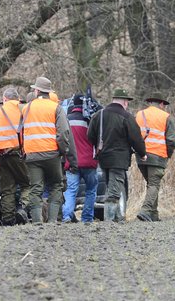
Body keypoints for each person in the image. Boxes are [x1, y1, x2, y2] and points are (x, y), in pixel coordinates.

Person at [21, 76, 76, 223]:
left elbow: (20, 131)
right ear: (48, 92)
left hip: (32, 154)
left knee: (35, 188)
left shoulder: (26, 108)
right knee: (56, 185)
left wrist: (24, 150)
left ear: (37, 91)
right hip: (52, 154)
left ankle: (37, 221)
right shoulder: (56, 108)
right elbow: (64, 132)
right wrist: (62, 150)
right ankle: (52, 221)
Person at [86, 88, 146, 222]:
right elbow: (136, 139)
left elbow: (89, 136)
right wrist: (142, 154)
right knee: (114, 191)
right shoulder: (127, 117)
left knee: (113, 186)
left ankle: (119, 217)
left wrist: (100, 144)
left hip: (103, 158)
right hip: (119, 159)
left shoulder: (99, 115)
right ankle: (109, 221)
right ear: (124, 102)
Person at [0, 87, 29, 226]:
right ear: (17, 99)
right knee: (28, 184)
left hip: (2, 156)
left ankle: (8, 219)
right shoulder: (25, 109)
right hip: (20, 154)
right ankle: (23, 209)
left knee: (7, 189)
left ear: (4, 99)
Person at [135, 94, 175, 222]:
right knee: (154, 184)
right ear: (161, 104)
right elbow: (172, 140)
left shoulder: (139, 115)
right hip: (158, 155)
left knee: (151, 184)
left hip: (140, 155)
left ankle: (154, 214)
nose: (164, 107)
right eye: (164, 105)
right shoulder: (166, 117)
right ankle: (145, 210)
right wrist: (168, 155)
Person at [62, 94, 99, 224]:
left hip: (72, 162)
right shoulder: (91, 119)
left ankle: (66, 216)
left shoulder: (66, 119)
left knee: (71, 190)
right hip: (89, 161)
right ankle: (87, 217)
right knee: (91, 190)